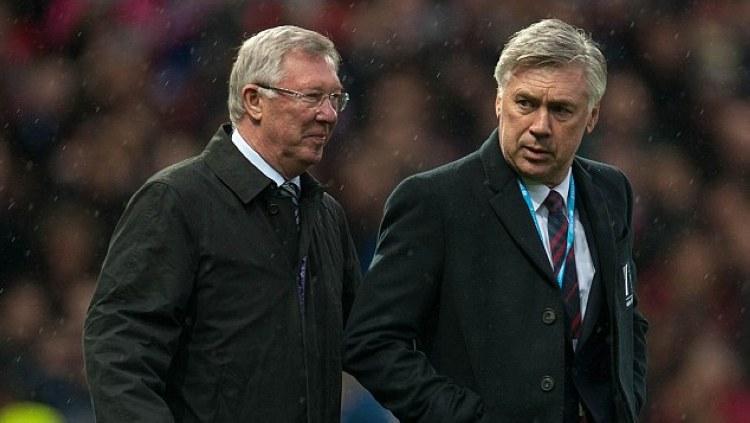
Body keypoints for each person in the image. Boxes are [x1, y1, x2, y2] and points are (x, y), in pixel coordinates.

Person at [344, 18, 647, 422]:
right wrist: (464, 416)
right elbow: (371, 343)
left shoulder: (611, 192)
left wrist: (626, 401)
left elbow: (626, 321)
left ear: (591, 117)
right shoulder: (435, 201)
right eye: (526, 103)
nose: (540, 126)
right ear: (498, 102)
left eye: (561, 110)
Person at [83, 25, 361, 422]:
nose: (329, 114)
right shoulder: (177, 200)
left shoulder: (325, 215)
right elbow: (119, 351)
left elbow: (368, 344)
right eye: (312, 97)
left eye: (336, 98)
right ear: (254, 101)